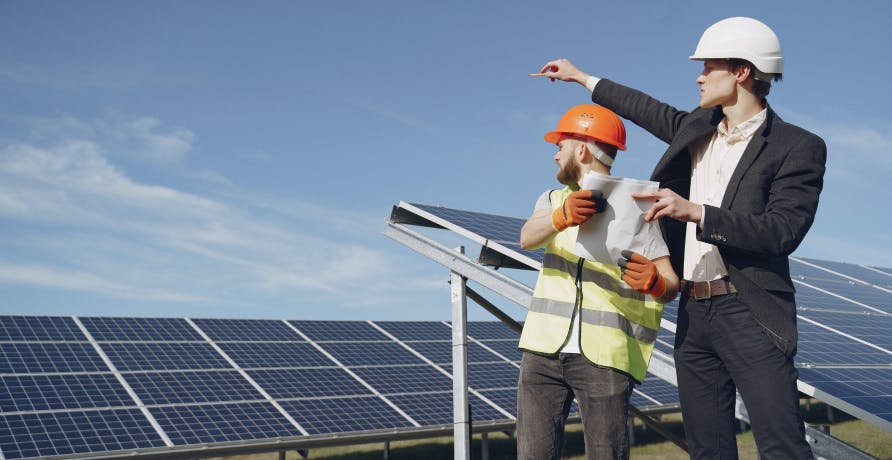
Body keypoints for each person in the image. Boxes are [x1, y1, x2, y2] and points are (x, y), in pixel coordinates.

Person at [535, 16, 826, 460]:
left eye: (709, 67)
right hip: (694, 313)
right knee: (707, 450)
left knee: (781, 445)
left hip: (750, 310)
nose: (699, 76)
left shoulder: (797, 146)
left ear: (742, 72)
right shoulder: (697, 130)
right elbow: (644, 107)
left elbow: (783, 230)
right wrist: (581, 78)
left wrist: (697, 212)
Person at [517, 103, 679, 460]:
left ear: (582, 148)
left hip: (605, 355)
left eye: (560, 145)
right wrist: (562, 216)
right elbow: (527, 237)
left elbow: (669, 282)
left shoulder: (639, 206)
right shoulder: (551, 199)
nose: (555, 154)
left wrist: (654, 282)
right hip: (542, 351)